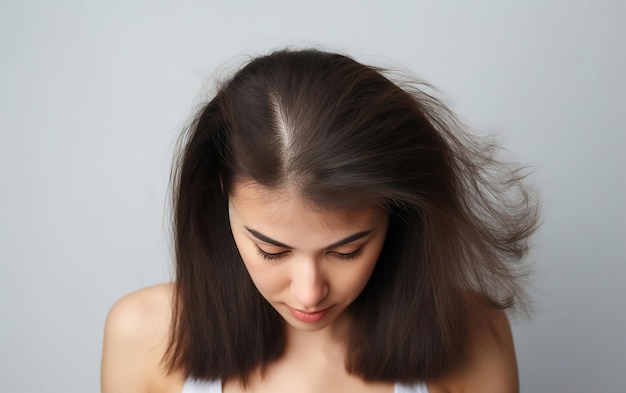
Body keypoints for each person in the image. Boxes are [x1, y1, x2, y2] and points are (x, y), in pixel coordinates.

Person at [101, 48, 539, 393]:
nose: (310, 292)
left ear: (398, 211)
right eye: (272, 251)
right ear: (220, 192)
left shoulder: (473, 335)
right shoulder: (145, 333)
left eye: (347, 251)